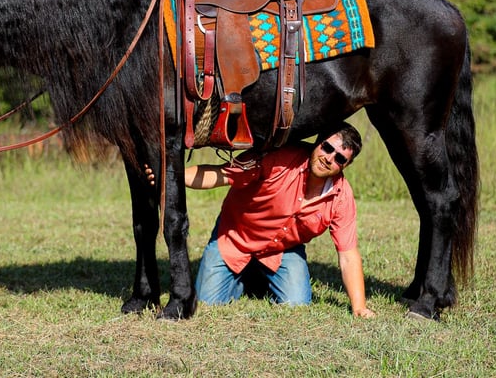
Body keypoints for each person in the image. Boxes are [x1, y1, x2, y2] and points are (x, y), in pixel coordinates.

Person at [147, 123, 375, 317]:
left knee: (297, 306)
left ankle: (256, 274)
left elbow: (348, 254)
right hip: (235, 239)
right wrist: (170, 176)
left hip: (281, 250)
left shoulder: (341, 195)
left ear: (345, 166)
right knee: (208, 302)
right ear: (317, 143)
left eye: (339, 159)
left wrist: (359, 307)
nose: (329, 159)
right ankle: (250, 275)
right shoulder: (279, 159)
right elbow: (221, 174)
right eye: (327, 148)